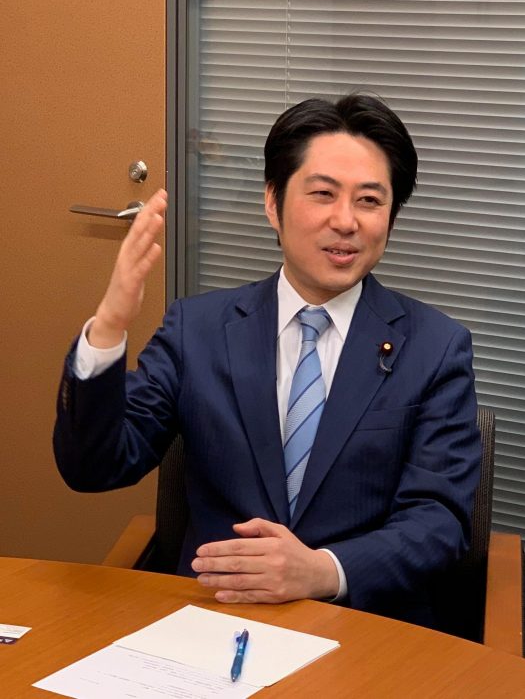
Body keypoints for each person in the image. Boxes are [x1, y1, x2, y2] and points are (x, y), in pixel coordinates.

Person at [54, 93, 481, 628]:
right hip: (213, 619)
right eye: (322, 194)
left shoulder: (436, 347)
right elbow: (94, 467)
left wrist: (322, 571)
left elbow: (439, 522)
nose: (345, 220)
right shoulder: (198, 330)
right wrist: (109, 326)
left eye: (370, 200)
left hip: (363, 627)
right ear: (273, 204)